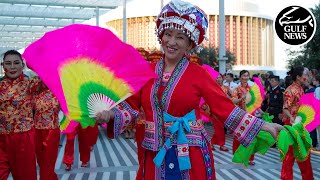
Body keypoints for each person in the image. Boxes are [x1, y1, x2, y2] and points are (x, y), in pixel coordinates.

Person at [96, 1, 282, 179]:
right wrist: (110, 114)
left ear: (190, 44)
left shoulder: (198, 74)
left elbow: (224, 107)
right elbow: (130, 105)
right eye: (168, 34)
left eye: (180, 37)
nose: (172, 41)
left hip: (189, 151)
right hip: (153, 151)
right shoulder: (147, 71)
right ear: (161, 35)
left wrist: (263, 125)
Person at [0, 50, 42, 180]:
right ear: (3, 66)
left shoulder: (31, 84)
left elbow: (52, 78)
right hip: (1, 139)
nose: (12, 67)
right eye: (8, 63)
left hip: (24, 138)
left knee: (25, 176)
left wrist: (35, 64)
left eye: (16, 63)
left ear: (22, 65)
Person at [281, 66, 314, 180]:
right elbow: (285, 108)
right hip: (291, 125)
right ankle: (286, 177)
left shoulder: (301, 89)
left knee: (304, 152)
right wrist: (291, 117)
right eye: (305, 75)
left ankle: (308, 177)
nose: (307, 77)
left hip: (300, 125)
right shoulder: (289, 90)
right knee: (290, 154)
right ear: (298, 77)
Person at [34, 82, 61, 180]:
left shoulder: (59, 91)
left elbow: (69, 109)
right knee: (41, 163)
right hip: (36, 131)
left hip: (51, 131)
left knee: (48, 163)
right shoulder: (34, 89)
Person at [231, 70, 256, 165]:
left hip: (251, 115)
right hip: (240, 115)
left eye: (247, 76)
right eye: (244, 76)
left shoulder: (252, 89)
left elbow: (255, 102)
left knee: (251, 137)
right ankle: (237, 156)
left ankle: (249, 158)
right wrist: (242, 98)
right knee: (238, 136)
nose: (246, 77)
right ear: (240, 77)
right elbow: (233, 101)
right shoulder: (236, 89)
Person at [210, 74, 229, 151]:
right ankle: (222, 145)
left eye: (220, 77)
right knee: (219, 127)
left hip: (224, 110)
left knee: (221, 127)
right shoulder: (211, 88)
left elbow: (233, 97)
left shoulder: (226, 88)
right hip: (215, 110)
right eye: (216, 78)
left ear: (222, 78)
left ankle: (211, 142)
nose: (218, 79)